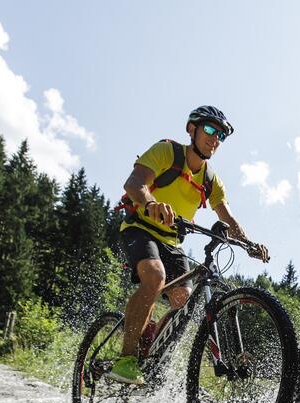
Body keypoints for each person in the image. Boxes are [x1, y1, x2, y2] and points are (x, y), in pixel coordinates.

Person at [108, 105, 269, 384]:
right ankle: (125, 359)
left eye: (220, 135)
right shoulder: (167, 152)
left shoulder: (210, 180)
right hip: (140, 228)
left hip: (172, 241)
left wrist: (250, 243)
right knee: (155, 277)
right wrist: (151, 203)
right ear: (191, 129)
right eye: (209, 129)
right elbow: (134, 184)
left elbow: (228, 218)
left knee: (183, 301)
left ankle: (150, 341)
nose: (214, 138)